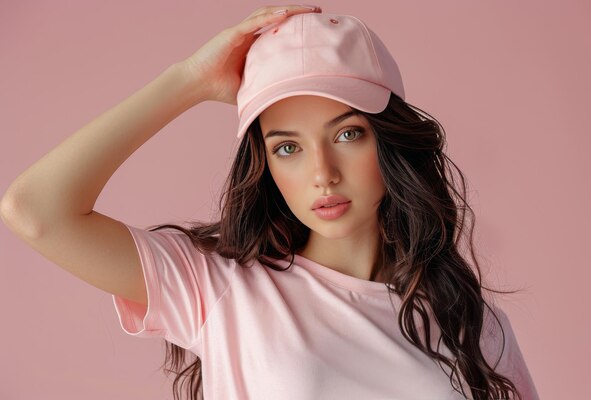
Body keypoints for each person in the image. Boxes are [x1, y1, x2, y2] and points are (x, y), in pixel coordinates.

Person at [0, 5, 540, 400]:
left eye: (348, 134)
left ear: (390, 140)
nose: (322, 174)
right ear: (266, 165)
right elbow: (34, 211)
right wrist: (188, 80)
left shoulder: (474, 324)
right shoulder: (217, 289)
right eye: (288, 147)